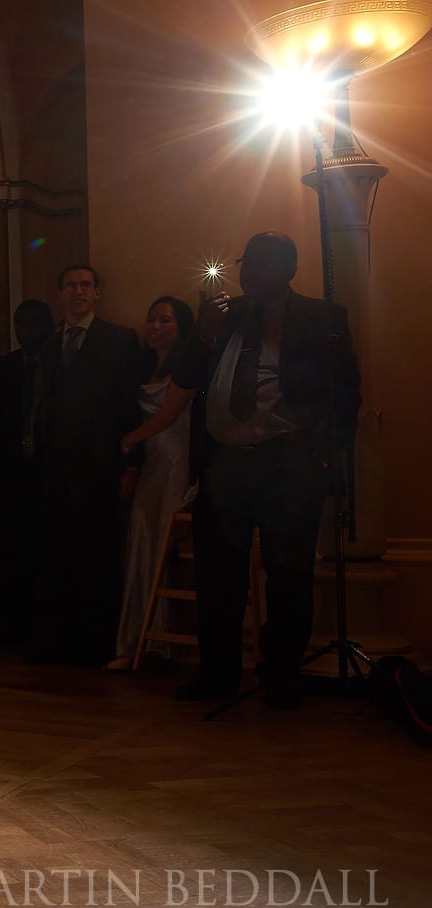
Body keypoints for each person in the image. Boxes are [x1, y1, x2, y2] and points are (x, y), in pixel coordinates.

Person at [172, 232, 360, 708]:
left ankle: (280, 678)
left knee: (289, 578)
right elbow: (184, 379)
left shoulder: (322, 319)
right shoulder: (223, 315)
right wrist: (203, 333)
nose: (252, 274)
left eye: (265, 265)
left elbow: (346, 396)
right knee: (219, 579)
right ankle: (217, 676)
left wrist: (318, 454)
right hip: (224, 465)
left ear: (290, 269)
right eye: (247, 263)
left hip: (287, 464)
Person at [31, 264, 145, 666]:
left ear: (97, 293)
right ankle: (61, 642)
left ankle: (96, 644)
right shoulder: (48, 344)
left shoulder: (120, 340)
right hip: (55, 467)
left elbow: (132, 406)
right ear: (60, 294)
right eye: (70, 286)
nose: (77, 292)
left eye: (85, 285)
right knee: (58, 557)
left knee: (98, 557)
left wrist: (131, 464)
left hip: (100, 466)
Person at [110, 296, 199, 669]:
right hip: (153, 464)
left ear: (180, 328)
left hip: (176, 461)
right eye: (151, 319)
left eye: (164, 320)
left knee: (161, 544)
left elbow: (167, 416)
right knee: (141, 543)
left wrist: (129, 439)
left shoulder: (187, 364)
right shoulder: (145, 367)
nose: (155, 327)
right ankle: (138, 640)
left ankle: (164, 643)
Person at [0, 300, 55, 642]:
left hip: (51, 469)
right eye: (19, 323)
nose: (26, 331)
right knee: (14, 549)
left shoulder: (60, 363)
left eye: (33, 323)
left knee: (50, 550)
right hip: (14, 470)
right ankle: (17, 626)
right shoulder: (3, 367)